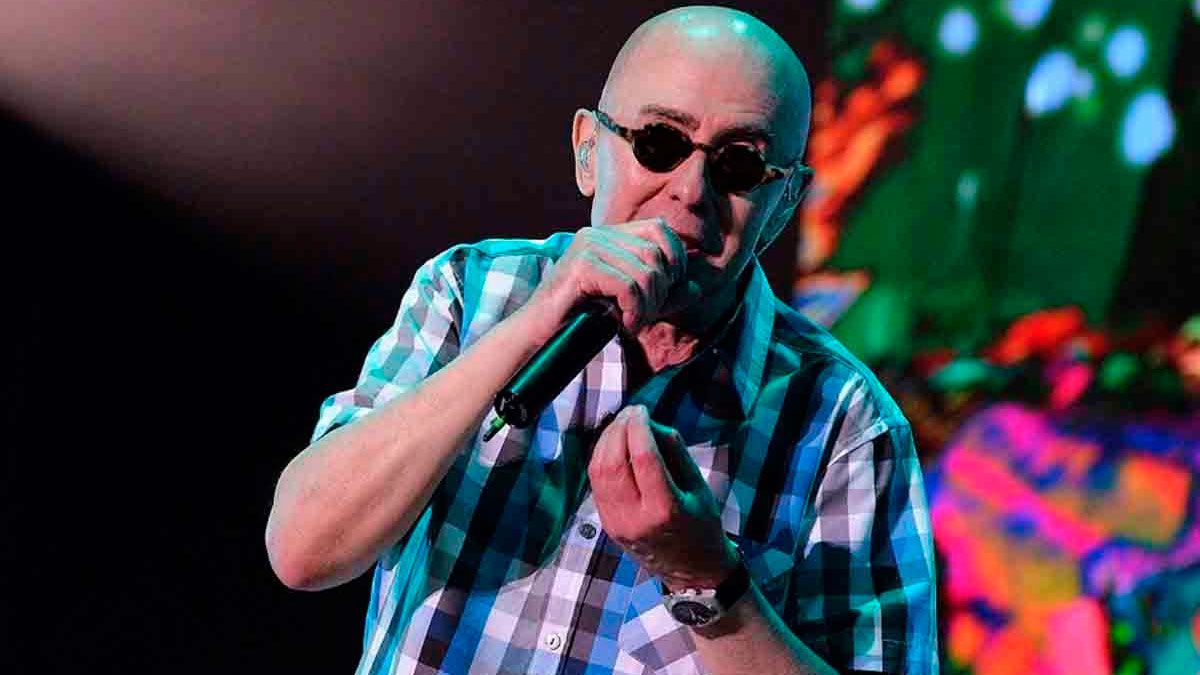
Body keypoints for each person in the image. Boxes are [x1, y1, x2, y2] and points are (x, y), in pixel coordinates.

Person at [266, 6, 938, 674]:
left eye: (738, 165)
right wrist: (533, 322)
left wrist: (706, 578)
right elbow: (303, 550)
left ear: (785, 202)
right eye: (659, 143)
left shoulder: (845, 422)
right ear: (589, 151)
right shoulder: (470, 290)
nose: (690, 191)